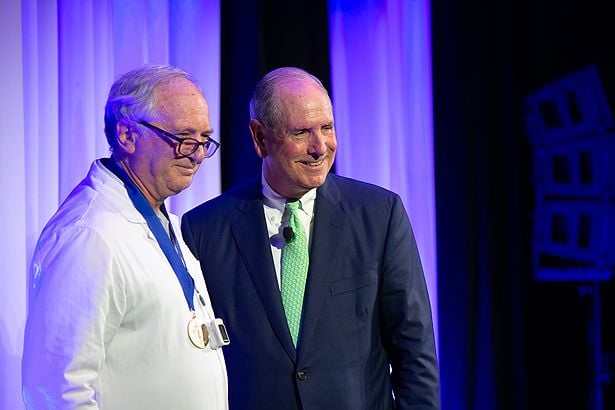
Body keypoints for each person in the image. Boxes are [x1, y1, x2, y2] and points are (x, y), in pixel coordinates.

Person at [181, 67, 440, 409]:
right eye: (302, 132)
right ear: (260, 138)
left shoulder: (380, 214)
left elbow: (414, 349)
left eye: (327, 128)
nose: (320, 147)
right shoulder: (204, 229)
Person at [22, 64, 228, 409]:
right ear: (127, 135)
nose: (196, 154)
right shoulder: (89, 235)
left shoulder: (164, 221)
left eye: (204, 140)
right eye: (183, 139)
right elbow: (57, 390)